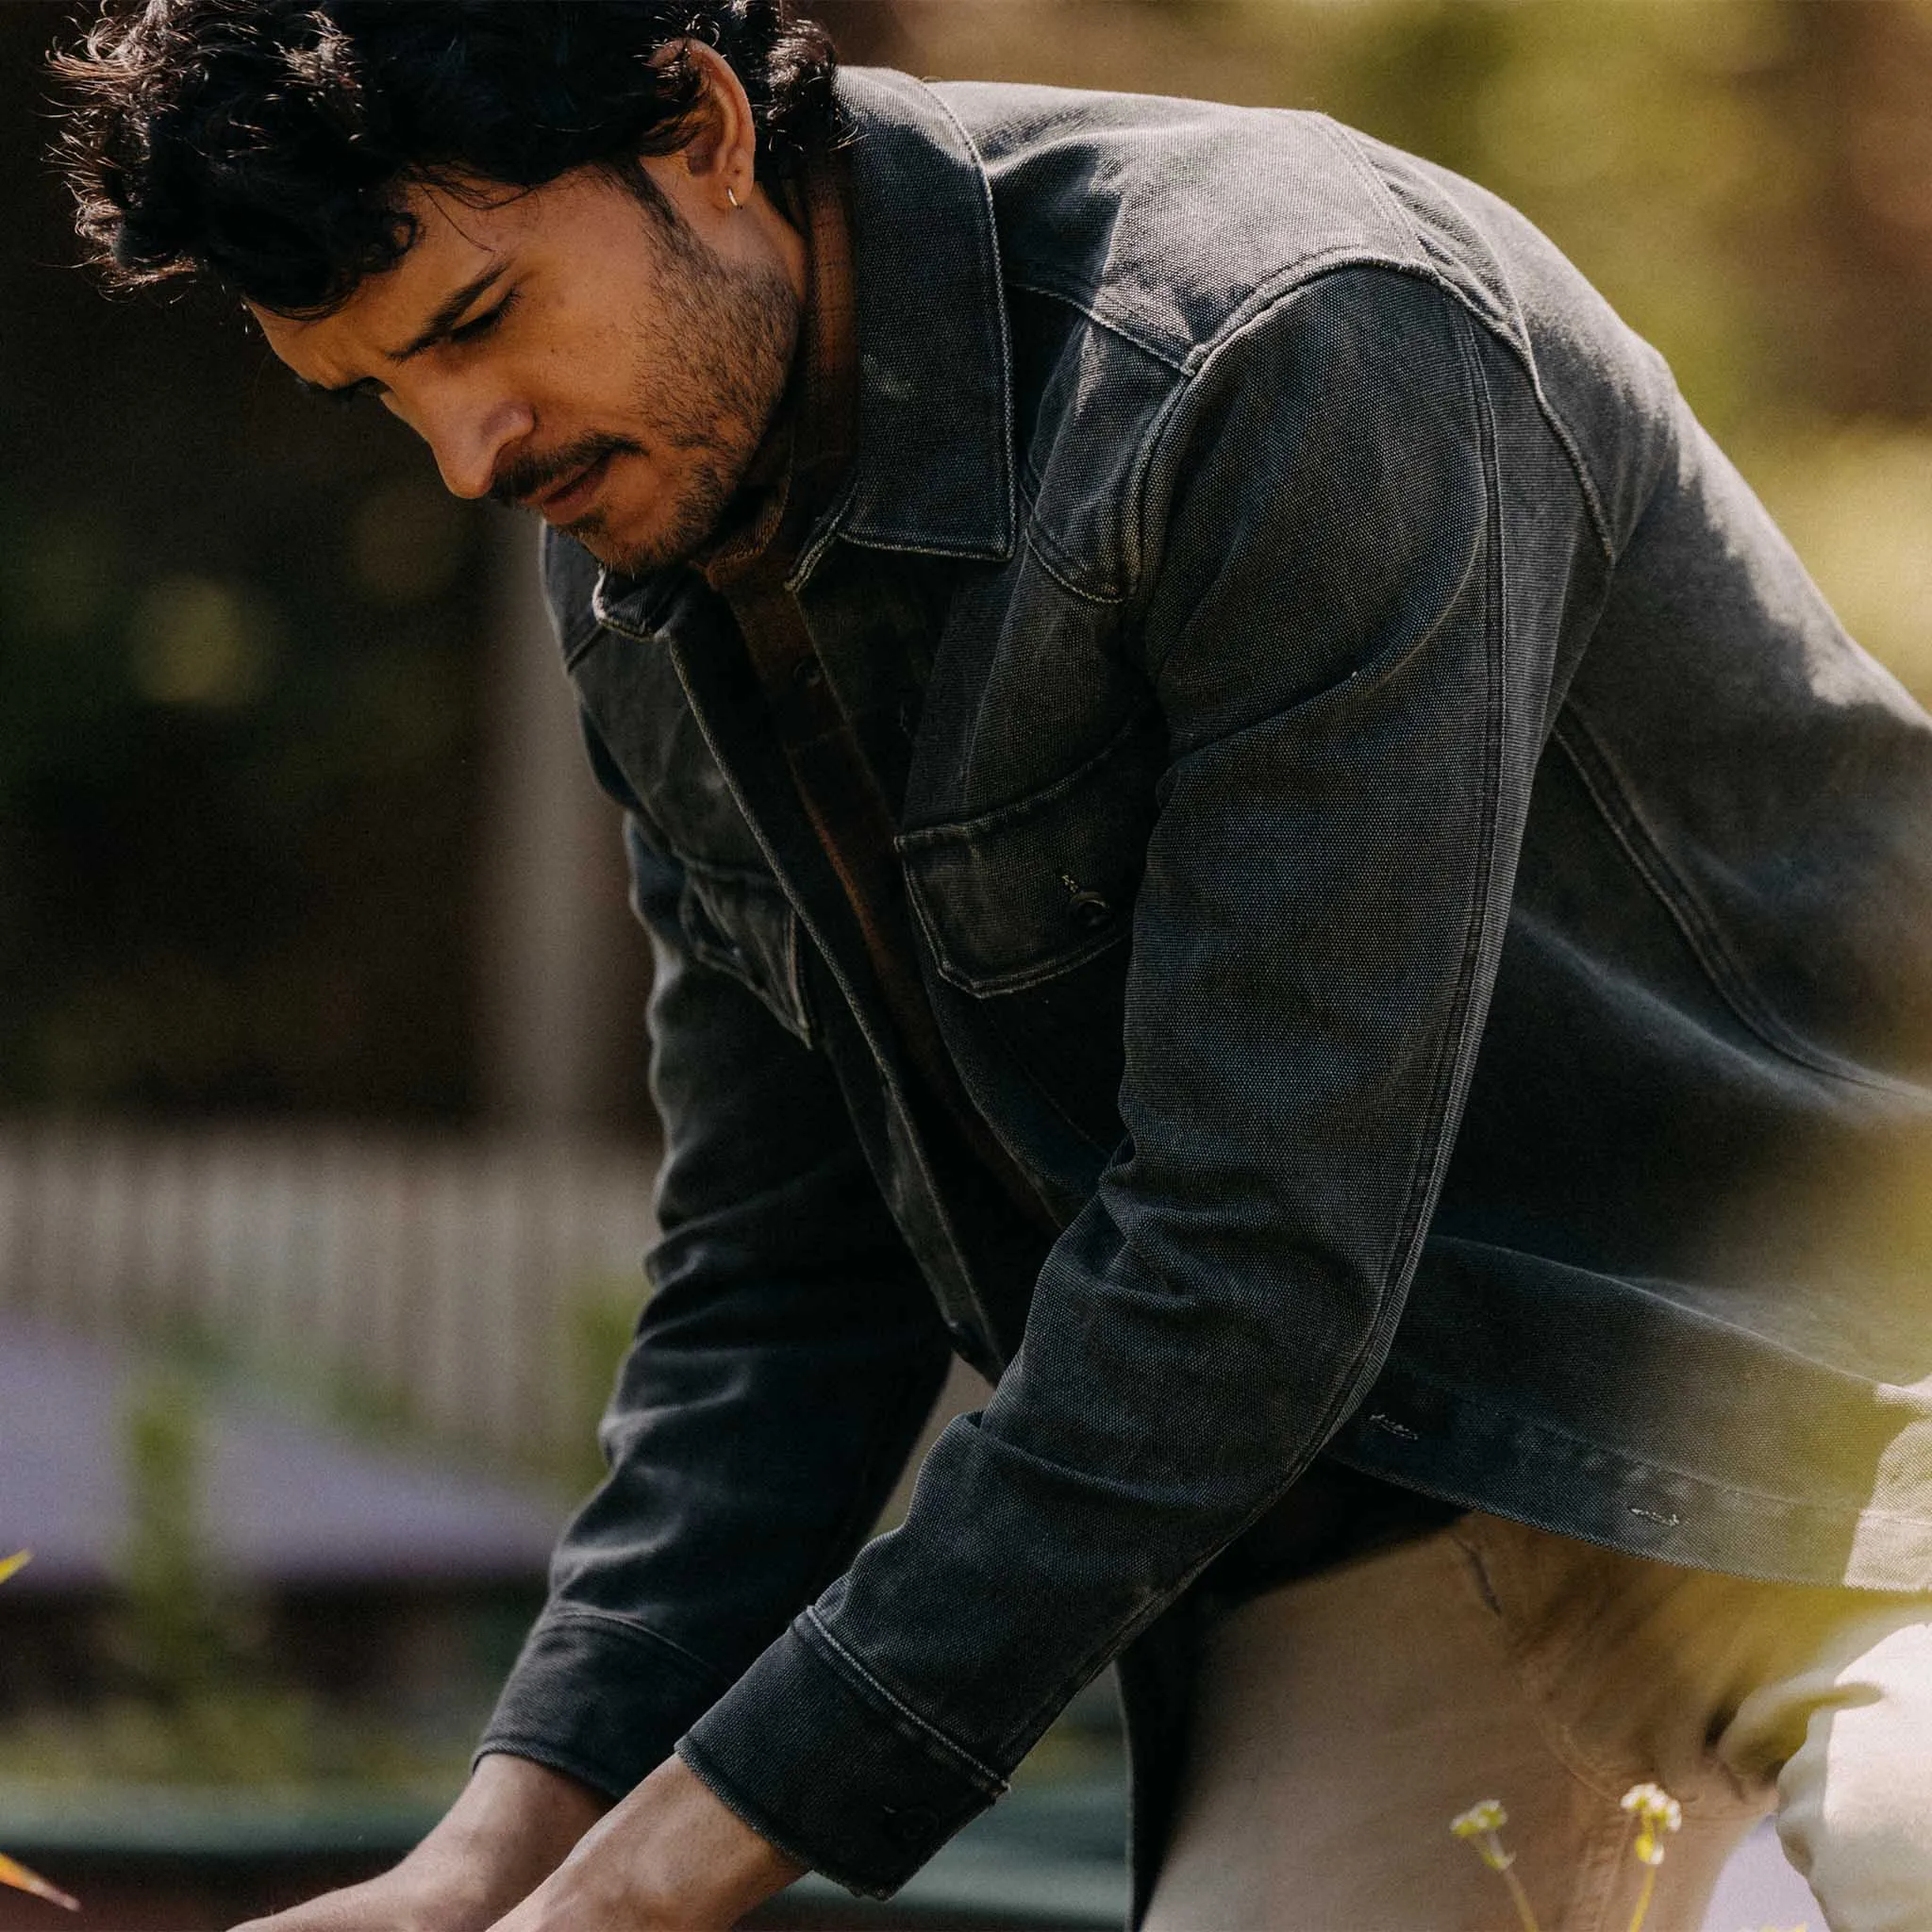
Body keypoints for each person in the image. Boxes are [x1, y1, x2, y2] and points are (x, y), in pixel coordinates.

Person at [54, 3, 1932, 1928]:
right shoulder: (640, 532)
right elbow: (784, 1281)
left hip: (1849, 1372)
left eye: (471, 323)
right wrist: (484, 1867)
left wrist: (640, 1890)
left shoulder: (1289, 338)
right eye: (376, 393)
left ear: (701, 128)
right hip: (1382, 1497)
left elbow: (1248, 1252)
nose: (467, 452)